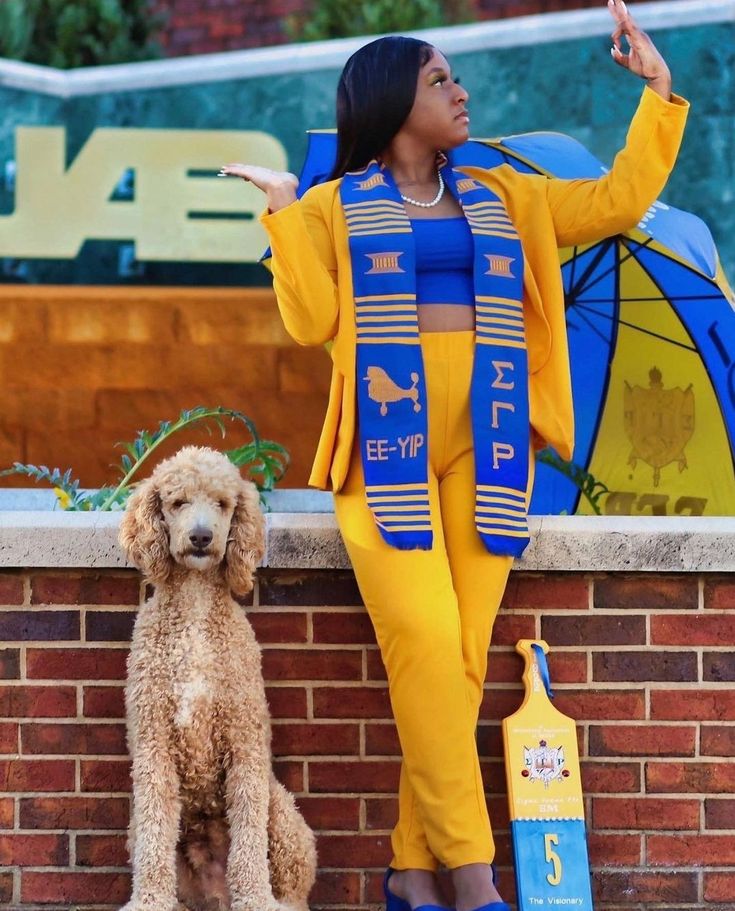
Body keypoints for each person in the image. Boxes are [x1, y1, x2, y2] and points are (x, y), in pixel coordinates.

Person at [220, 1, 687, 908]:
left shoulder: (507, 197)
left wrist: (658, 95)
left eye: (454, 76)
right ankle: (473, 880)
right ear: (395, 103)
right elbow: (313, 320)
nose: (460, 91)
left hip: (490, 444)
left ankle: (408, 873)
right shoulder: (332, 208)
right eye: (439, 79)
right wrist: (282, 214)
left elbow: (618, 201)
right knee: (430, 642)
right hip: (382, 455)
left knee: (461, 655)